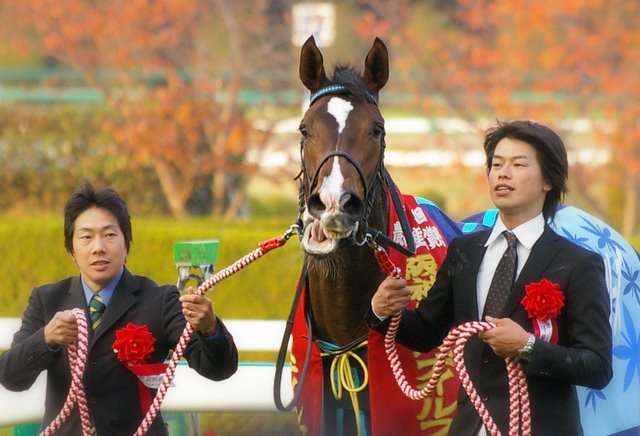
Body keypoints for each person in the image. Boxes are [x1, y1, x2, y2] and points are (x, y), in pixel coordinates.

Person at [370, 120, 613, 435]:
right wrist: (382, 310)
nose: (503, 173)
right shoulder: (464, 250)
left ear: (548, 180)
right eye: (496, 164)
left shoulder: (577, 263)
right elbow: (426, 333)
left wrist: (527, 346)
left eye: (517, 164)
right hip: (470, 427)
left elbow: (597, 367)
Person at [0, 182, 238, 435]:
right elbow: (11, 377)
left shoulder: (159, 300)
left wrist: (210, 328)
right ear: (72, 250)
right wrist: (46, 338)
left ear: (126, 245)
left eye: (110, 235)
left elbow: (218, 370)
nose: (98, 247)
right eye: (86, 237)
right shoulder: (47, 300)